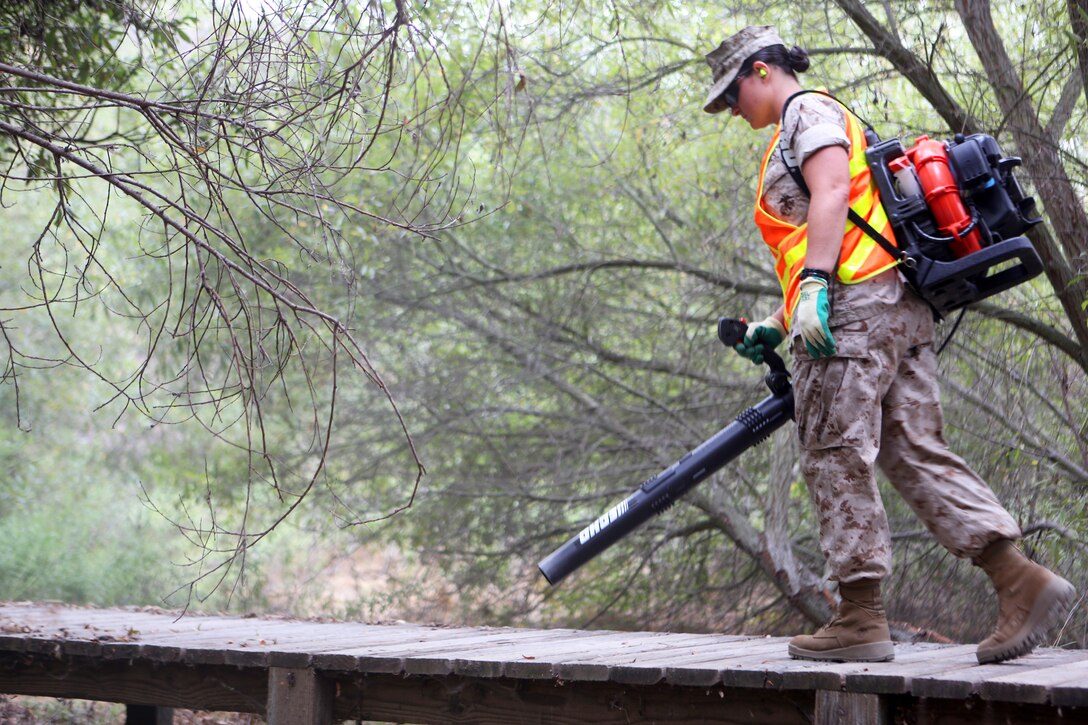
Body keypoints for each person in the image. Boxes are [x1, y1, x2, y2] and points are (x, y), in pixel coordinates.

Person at [701, 25, 1075, 664]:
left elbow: (831, 194)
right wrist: (782, 316)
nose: (733, 111)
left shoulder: (806, 112)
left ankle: (859, 618)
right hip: (890, 306)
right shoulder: (827, 118)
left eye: (732, 94)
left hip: (853, 311)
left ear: (761, 70)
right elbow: (846, 234)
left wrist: (816, 287)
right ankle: (1019, 578)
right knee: (910, 448)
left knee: (833, 450)